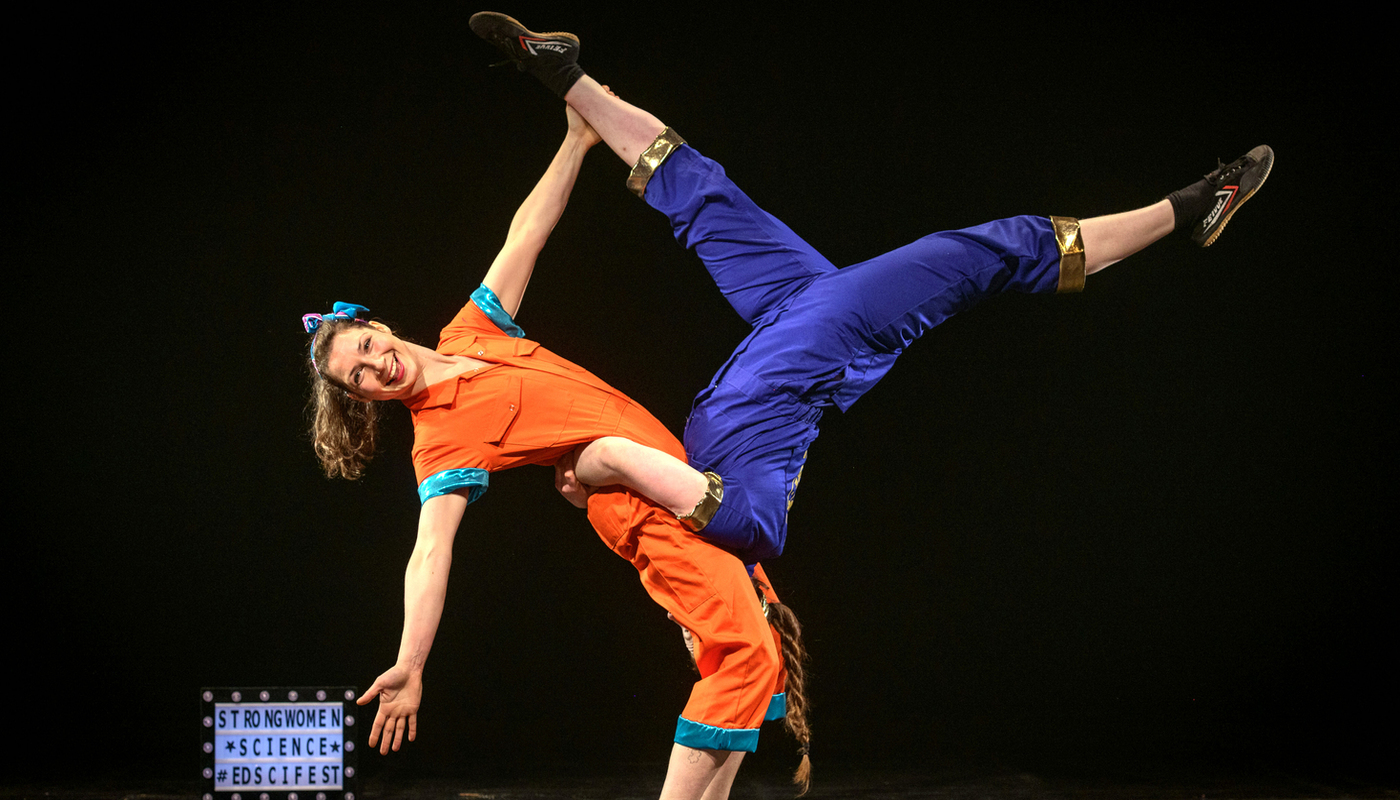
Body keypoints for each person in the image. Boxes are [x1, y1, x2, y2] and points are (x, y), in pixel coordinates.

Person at [470, 11, 1273, 574]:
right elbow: (613, 460)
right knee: (988, 251)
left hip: (790, 315)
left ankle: (564, 72)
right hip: (829, 333)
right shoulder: (745, 521)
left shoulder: (687, 486)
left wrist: (588, 489)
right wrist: (593, 479)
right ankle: (1186, 211)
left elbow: (616, 470)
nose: (576, 485)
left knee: (701, 195)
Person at [303, 84, 810, 800]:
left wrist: (576, 141)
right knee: (743, 656)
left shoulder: (472, 331)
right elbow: (430, 550)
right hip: (641, 504)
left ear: (377, 327)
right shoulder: (441, 440)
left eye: (365, 348)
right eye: (359, 379)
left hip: (677, 473)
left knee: (755, 663)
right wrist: (411, 660)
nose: (375, 368)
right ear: (364, 399)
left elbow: (526, 232)